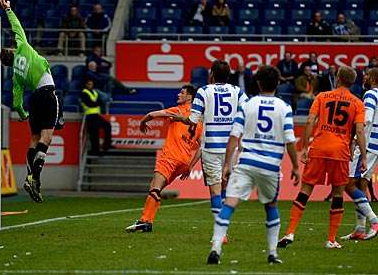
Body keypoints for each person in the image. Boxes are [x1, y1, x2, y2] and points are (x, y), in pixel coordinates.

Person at [207, 66, 300, 265]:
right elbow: (290, 141)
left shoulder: (248, 104)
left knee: (229, 203)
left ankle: (216, 247)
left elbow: (234, 136)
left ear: (257, 83)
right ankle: (273, 253)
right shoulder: (284, 107)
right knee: (271, 206)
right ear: (277, 83)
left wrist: (226, 165)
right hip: (270, 166)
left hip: (246, 162)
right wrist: (295, 166)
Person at [278, 66, 366, 249]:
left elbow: (310, 121)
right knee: (338, 194)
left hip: (319, 148)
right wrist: (363, 157)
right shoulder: (357, 103)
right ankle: (331, 239)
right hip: (340, 152)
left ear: (338, 78)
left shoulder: (322, 96)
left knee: (305, 190)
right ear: (352, 82)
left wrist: (304, 147)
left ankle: (290, 233)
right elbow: (359, 130)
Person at [0, 0, 62, 203]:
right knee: (47, 138)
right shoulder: (23, 47)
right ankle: (34, 176)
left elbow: (16, 102)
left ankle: (31, 176)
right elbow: (17, 26)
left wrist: (24, 114)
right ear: (12, 49)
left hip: (33, 101)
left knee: (34, 140)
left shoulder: (15, 76)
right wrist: (8, 9)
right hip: (47, 93)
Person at [172, 60, 248, 224]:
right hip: (231, 149)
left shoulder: (203, 91)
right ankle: (224, 226)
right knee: (225, 189)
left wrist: (180, 118)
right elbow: (248, 114)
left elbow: (192, 120)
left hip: (211, 149)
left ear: (212, 74)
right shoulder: (237, 91)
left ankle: (221, 231)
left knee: (214, 191)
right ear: (228, 75)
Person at [125, 85, 203, 232]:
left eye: (182, 93)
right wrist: (191, 166)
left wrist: (143, 122)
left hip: (170, 156)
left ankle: (145, 221)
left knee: (155, 188)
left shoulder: (177, 110)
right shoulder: (198, 121)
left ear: (189, 97)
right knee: (155, 186)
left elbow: (153, 114)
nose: (179, 94)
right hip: (184, 161)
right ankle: (147, 222)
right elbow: (202, 147)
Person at [341, 68, 378, 241]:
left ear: (373, 78)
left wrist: (355, 141)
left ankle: (374, 221)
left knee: (347, 183)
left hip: (366, 145)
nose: (364, 77)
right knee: (361, 185)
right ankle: (360, 229)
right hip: (377, 144)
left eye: (367, 75)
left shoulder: (370, 94)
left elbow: (366, 120)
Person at [81, 78, 113, 155]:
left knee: (107, 125)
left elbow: (101, 101)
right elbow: (90, 104)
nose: (90, 85)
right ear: (86, 85)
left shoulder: (94, 92)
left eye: (91, 84)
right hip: (89, 116)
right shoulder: (84, 93)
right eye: (89, 84)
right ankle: (96, 151)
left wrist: (97, 102)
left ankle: (106, 145)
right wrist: (97, 103)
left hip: (96, 115)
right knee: (94, 133)